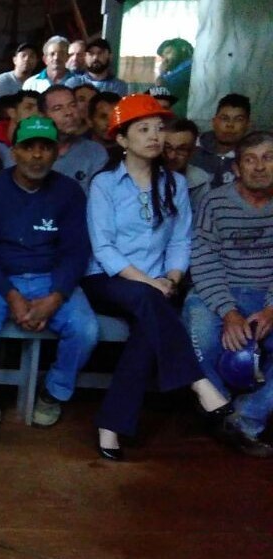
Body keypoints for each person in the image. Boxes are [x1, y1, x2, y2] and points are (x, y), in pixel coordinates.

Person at [82, 94, 234, 460]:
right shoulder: (104, 185)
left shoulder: (174, 184)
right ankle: (198, 381)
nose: (155, 135)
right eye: (143, 128)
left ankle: (111, 425)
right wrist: (149, 282)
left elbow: (182, 239)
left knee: (147, 335)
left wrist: (174, 276)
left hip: (159, 283)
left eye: (159, 128)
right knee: (150, 302)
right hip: (107, 278)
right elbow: (102, 247)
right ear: (122, 139)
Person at [0, 116, 96, 428]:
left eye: (45, 148)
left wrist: (56, 296)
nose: (37, 155)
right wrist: (11, 295)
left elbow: (76, 251)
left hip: (51, 278)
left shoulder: (69, 192)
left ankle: (54, 393)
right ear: (14, 151)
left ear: (56, 152)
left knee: (85, 329)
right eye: (28, 147)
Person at [184, 131, 273, 457]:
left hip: (267, 295)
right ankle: (218, 409)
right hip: (220, 291)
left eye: (268, 158)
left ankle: (245, 420)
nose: (260, 167)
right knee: (200, 329)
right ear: (237, 168)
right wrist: (228, 311)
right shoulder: (215, 200)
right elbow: (205, 261)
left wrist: (271, 309)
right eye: (250, 160)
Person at [40, 85, 109, 192]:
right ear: (43, 116)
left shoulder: (95, 151)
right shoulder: (31, 153)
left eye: (73, 105)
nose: (69, 112)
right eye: (58, 108)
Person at [192, 94, 251, 189]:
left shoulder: (253, 158)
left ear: (248, 125)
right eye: (224, 118)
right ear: (214, 121)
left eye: (238, 119)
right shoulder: (192, 148)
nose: (230, 125)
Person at [161, 119, 214, 207]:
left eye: (181, 149)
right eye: (167, 147)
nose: (172, 156)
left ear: (193, 151)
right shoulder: (143, 176)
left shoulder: (200, 181)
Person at [155, 38, 193, 117]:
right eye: (163, 56)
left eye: (168, 52)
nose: (165, 59)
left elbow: (164, 90)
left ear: (182, 50)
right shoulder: (177, 69)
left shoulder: (188, 66)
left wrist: (162, 73)